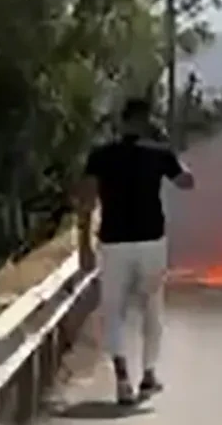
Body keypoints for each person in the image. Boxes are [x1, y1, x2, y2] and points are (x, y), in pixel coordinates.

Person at [75, 97, 195, 405]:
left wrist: (83, 246)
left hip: (113, 242)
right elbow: (187, 182)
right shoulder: (159, 154)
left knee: (113, 311)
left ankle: (122, 378)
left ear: (122, 121)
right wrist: (170, 149)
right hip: (151, 242)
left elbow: (86, 202)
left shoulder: (100, 156)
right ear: (146, 121)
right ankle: (149, 375)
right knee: (152, 309)